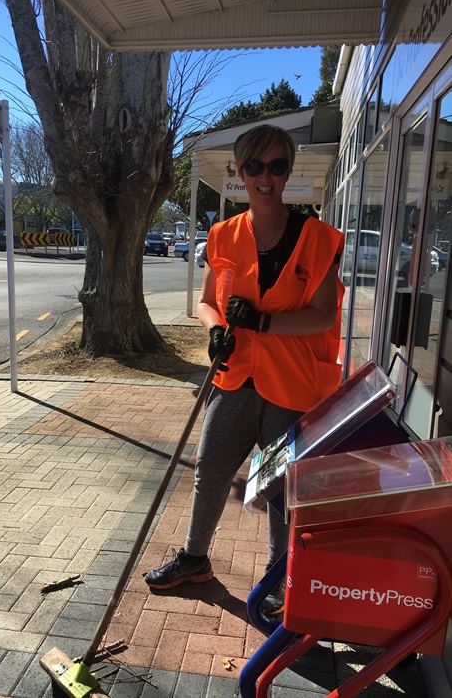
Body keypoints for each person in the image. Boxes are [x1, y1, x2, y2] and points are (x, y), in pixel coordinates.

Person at [145, 125, 345, 610]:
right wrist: (215, 326)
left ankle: (281, 580)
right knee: (210, 468)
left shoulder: (318, 239)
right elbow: (206, 302)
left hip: (290, 386)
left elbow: (322, 314)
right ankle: (195, 560)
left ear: (287, 172)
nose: (265, 176)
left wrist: (263, 320)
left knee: (280, 488)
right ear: (239, 173)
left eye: (276, 166)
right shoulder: (222, 235)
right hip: (235, 376)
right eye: (254, 166)